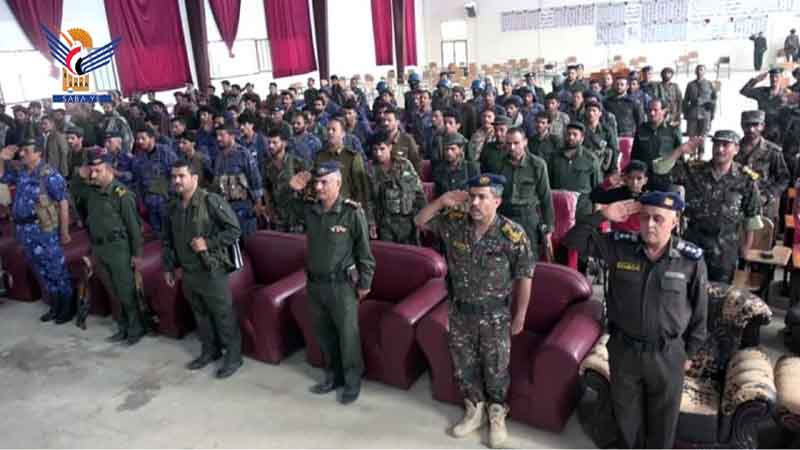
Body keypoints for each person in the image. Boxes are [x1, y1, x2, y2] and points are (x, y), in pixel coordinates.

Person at [563, 191, 707, 449]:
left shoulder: (690, 259)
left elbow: (700, 310)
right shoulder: (619, 247)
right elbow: (572, 240)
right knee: (627, 419)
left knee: (663, 422)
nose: (649, 224)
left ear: (674, 222)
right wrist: (603, 215)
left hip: (668, 354)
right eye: (644, 217)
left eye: (658, 219)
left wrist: (690, 353)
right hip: (624, 350)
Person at [414, 174, 534, 449]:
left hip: (495, 316)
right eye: (472, 197)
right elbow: (419, 221)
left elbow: (525, 276)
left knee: (496, 368)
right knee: (464, 365)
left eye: (482, 197)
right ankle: (475, 408)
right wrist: (442, 201)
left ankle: (497, 413)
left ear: (497, 201)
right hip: (460, 312)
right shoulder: (454, 223)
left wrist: (520, 315)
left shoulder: (512, 234)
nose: (475, 203)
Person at [288, 161, 376, 405]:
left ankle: (352, 380)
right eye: (316, 182)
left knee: (348, 337)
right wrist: (293, 191)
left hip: (342, 285)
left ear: (338, 183)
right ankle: (333, 376)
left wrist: (365, 283)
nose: (318, 187)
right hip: (315, 284)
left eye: (324, 182)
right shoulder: (311, 210)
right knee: (324, 334)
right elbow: (288, 211)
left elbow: (364, 252)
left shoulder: (351, 212)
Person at [162, 160, 244, 378]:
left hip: (211, 271)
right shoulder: (173, 207)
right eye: (174, 177)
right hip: (188, 272)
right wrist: (168, 267)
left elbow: (234, 230)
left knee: (223, 315)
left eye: (181, 176)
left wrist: (208, 243)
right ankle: (210, 350)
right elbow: (168, 240)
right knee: (201, 316)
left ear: (194, 178)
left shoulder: (210, 201)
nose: (177, 180)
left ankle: (233, 357)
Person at [653, 131, 763, 283]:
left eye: (725, 145)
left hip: (724, 249)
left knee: (719, 292)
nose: (720, 149)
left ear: (736, 149)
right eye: (716, 144)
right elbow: (659, 170)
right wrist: (680, 150)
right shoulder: (694, 170)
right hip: (693, 243)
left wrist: (745, 250)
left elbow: (752, 218)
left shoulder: (745, 179)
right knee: (687, 288)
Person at [0, 140, 73, 323]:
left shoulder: (50, 175)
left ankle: (67, 307)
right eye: (22, 151)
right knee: (42, 269)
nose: (22, 154)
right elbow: (2, 177)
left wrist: (64, 231)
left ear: (38, 153)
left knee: (56, 269)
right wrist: (2, 159)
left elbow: (63, 203)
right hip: (26, 231)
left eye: (27, 151)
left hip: (44, 229)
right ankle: (55, 305)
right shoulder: (22, 172)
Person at [78, 147, 146, 345]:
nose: (93, 175)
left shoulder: (121, 194)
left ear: (109, 169)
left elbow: (134, 227)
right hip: (100, 249)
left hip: (119, 249)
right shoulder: (92, 192)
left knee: (126, 291)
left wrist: (137, 254)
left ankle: (135, 328)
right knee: (113, 292)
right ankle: (122, 327)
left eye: (98, 171)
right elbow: (75, 194)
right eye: (91, 171)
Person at [497, 128, 554, 262]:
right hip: (505, 216)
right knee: (504, 258)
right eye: (508, 143)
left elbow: (545, 197)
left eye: (516, 143)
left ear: (525, 142)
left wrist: (549, 227)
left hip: (527, 218)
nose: (512, 147)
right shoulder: (500, 164)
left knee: (528, 259)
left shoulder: (537, 165)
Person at [366, 131, 426, 244]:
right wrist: (371, 223)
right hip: (385, 223)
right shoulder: (371, 171)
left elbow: (419, 193)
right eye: (375, 150)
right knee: (390, 253)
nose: (378, 153)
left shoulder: (404, 164)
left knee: (410, 252)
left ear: (390, 147)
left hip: (408, 221)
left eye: (382, 149)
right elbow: (369, 200)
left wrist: (423, 217)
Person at [212, 124, 267, 237]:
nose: (218, 138)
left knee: (248, 240)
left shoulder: (243, 154)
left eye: (222, 135)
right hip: (225, 208)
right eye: (217, 135)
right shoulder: (219, 157)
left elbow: (255, 179)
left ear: (232, 136)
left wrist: (258, 203)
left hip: (244, 207)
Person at [736, 110, 790, 224]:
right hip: (737, 205)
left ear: (763, 126)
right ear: (742, 125)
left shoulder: (773, 151)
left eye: (755, 125)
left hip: (764, 207)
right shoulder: (733, 149)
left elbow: (783, 179)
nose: (751, 129)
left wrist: (767, 196)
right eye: (747, 125)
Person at [546, 122, 602, 217]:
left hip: (582, 211)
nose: (571, 137)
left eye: (575, 135)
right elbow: (548, 185)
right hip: (559, 209)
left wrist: (596, 214)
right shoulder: (554, 157)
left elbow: (597, 189)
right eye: (568, 134)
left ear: (582, 138)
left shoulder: (591, 159)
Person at [313, 118, 370, 207]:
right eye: (328, 129)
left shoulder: (352, 157)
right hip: (323, 207)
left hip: (345, 208)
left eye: (334, 130)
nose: (330, 132)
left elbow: (361, 188)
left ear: (343, 134)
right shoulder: (320, 156)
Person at [131, 127, 178, 235]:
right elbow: (138, 181)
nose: (140, 141)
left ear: (152, 138)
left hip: (167, 202)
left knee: (171, 233)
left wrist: (173, 198)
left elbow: (176, 173)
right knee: (157, 234)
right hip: (150, 204)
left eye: (143, 138)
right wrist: (141, 200)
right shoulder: (138, 158)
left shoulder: (165, 152)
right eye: (138, 139)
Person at [263, 128, 309, 232]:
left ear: (284, 143)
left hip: (296, 218)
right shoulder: (267, 165)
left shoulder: (296, 162)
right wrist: (269, 209)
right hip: (278, 219)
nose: (271, 146)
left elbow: (309, 185)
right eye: (269, 143)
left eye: (274, 142)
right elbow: (267, 188)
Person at [631, 99, 683, 176]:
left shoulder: (673, 131)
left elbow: (680, 156)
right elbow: (634, 156)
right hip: (645, 176)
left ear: (664, 111)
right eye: (649, 110)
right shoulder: (641, 130)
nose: (652, 113)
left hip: (666, 176)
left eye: (655, 110)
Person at [740, 69, 788, 142]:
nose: (774, 79)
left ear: (781, 78)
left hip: (779, 130)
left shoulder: (787, 94)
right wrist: (756, 80)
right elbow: (744, 91)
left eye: (777, 77)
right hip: (762, 128)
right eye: (771, 77)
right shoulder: (762, 91)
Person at [682, 65, 717, 156]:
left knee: (702, 137)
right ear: (695, 72)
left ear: (705, 72)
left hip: (705, 114)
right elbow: (685, 100)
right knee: (692, 136)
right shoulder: (690, 85)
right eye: (697, 70)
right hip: (692, 114)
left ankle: (700, 157)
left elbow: (714, 100)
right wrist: (685, 113)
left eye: (701, 70)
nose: (699, 71)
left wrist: (712, 113)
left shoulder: (709, 84)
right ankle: (692, 156)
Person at [433, 133, 481, 198]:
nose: (449, 153)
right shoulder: (439, 170)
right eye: (446, 149)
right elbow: (438, 195)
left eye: (452, 149)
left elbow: (477, 192)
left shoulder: (471, 168)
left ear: (460, 149)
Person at [582, 99, 619, 177]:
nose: (591, 113)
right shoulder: (581, 130)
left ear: (600, 113)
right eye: (589, 110)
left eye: (594, 110)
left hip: (602, 167)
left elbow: (614, 149)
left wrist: (613, 170)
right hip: (584, 166)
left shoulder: (607, 130)